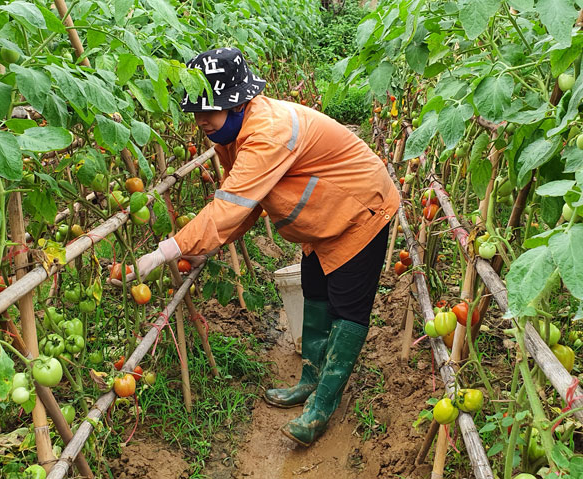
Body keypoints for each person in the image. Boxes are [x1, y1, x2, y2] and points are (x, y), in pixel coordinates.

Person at [122, 47, 399, 446]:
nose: (200, 120)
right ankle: (310, 381)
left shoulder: (268, 131)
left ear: (237, 104)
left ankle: (322, 406)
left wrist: (166, 251)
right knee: (316, 292)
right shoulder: (232, 136)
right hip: (322, 219)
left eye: (209, 111)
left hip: (359, 210)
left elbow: (231, 204)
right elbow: (245, 205)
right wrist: (207, 246)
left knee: (346, 309)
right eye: (195, 111)